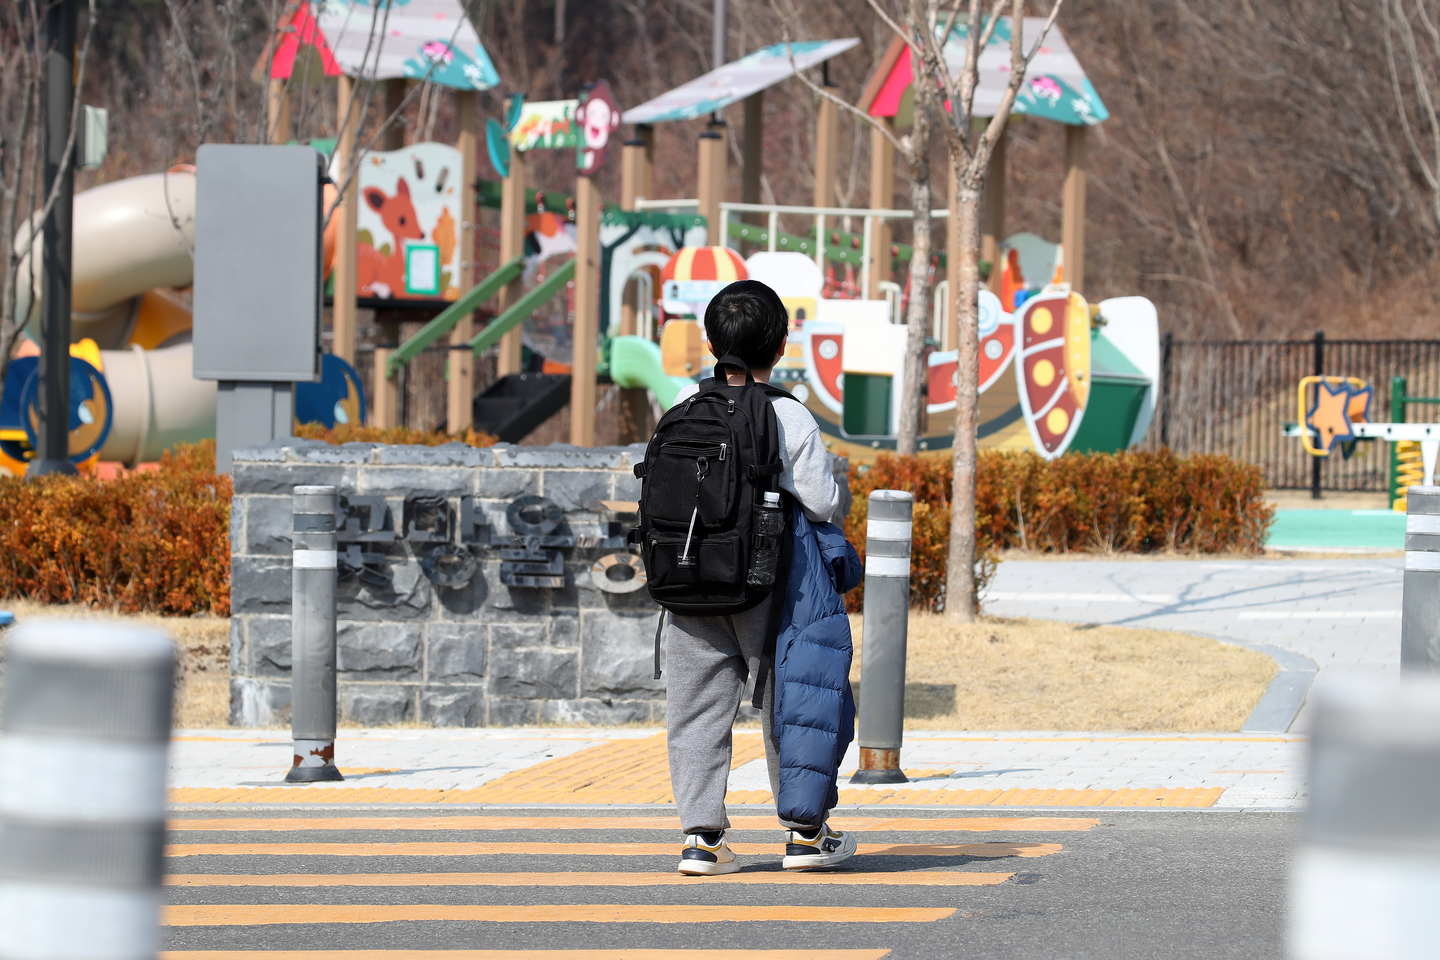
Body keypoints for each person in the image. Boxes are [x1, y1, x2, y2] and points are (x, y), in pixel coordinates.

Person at [661, 279, 860, 876]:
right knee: (786, 702)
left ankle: (701, 840)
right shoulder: (788, 415)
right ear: (779, 345)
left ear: (712, 342)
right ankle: (804, 833)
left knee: (695, 711)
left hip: (689, 581)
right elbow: (822, 503)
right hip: (763, 581)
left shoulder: (681, 406)